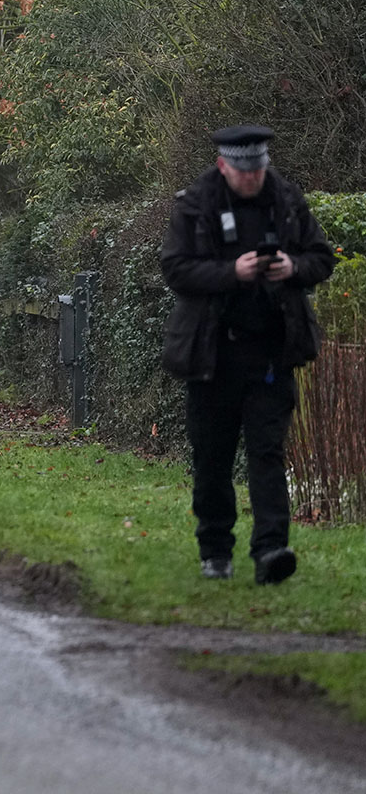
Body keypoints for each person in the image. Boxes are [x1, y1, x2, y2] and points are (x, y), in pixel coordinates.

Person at [160, 125, 334, 584]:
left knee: (268, 453)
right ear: (223, 166)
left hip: (273, 354)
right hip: (212, 356)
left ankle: (271, 550)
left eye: (258, 169)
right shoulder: (195, 204)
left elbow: (322, 257)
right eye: (243, 171)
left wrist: (293, 268)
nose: (253, 178)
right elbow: (175, 269)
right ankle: (215, 550)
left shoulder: (288, 201)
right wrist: (231, 272)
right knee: (213, 457)